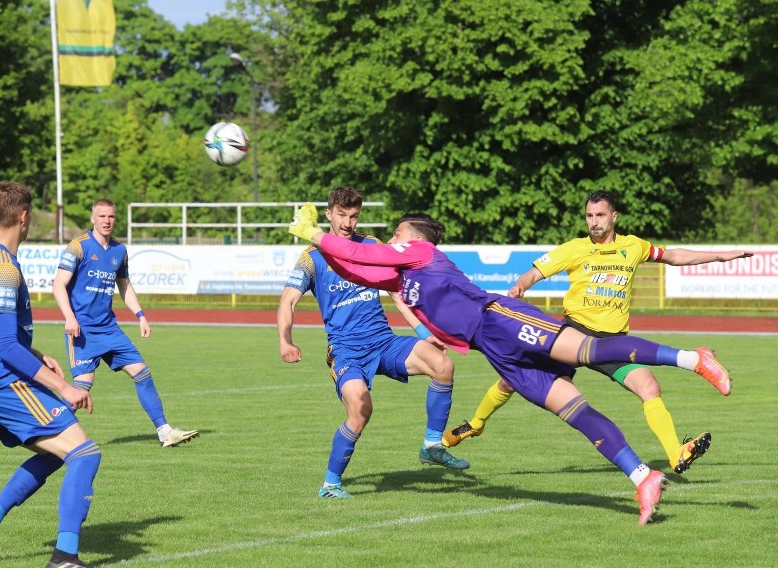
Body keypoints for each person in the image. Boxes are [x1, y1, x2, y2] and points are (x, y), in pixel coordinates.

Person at [289, 204, 733, 524]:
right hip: (495, 351)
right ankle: (643, 477)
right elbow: (357, 269)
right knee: (572, 410)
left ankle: (694, 358)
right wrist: (321, 244)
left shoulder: (421, 255)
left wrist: (313, 233)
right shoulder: (401, 274)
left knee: (588, 350)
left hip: (499, 319)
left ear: (416, 240)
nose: (390, 240)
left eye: (397, 234)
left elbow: (369, 255)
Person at [444, 190, 752, 474]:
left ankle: (676, 453)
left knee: (649, 387)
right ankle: (476, 423)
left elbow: (673, 256)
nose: (594, 222)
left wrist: (721, 255)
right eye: (590, 216)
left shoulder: (633, 247)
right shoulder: (575, 249)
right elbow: (536, 270)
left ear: (614, 216)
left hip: (612, 340)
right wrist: (522, 284)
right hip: (572, 333)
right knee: (512, 379)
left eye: (600, 215)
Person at [278, 186, 468, 499]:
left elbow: (396, 292)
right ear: (329, 214)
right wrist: (286, 340)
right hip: (346, 349)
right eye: (341, 214)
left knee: (443, 364)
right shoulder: (312, 257)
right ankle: (331, 484)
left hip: (383, 341)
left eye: (354, 215)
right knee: (360, 409)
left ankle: (432, 445)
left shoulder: (370, 245)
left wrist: (424, 333)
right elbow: (288, 301)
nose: (348, 222)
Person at [0, 181, 100, 567]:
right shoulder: (3, 268)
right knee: (85, 454)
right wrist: (63, 387)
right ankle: (64, 557)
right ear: (24, 217)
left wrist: (37, 354)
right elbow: (4, 346)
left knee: (57, 454)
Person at [52, 199, 197, 448]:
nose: (107, 221)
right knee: (82, 387)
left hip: (109, 328)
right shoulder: (78, 246)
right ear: (92, 218)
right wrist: (69, 317)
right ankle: (52, 434)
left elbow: (124, 286)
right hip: (83, 330)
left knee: (142, 373)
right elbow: (58, 285)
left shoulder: (119, 251)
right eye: (102, 216)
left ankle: (165, 432)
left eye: (111, 216)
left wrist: (140, 315)